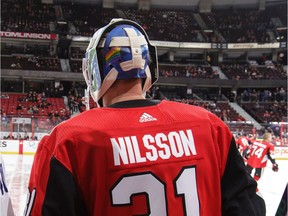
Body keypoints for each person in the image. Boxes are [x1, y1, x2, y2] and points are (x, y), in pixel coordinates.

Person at [25, 18, 265, 216]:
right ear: (150, 67)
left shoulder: (66, 141)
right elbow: (248, 209)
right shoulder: (210, 126)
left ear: (94, 71)